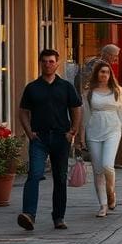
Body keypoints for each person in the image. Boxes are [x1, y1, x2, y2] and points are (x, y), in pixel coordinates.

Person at [16, 48, 83, 232]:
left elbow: (76, 108)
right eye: (44, 61)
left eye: (51, 61)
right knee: (34, 175)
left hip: (61, 137)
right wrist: (29, 133)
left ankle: (58, 217)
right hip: (39, 137)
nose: (48, 65)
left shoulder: (66, 87)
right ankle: (29, 214)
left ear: (57, 63)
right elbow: (22, 111)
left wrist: (73, 131)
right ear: (40, 63)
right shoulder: (32, 88)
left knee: (60, 178)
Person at [78, 60, 122, 218]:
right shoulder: (89, 92)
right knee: (97, 170)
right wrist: (81, 137)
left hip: (113, 129)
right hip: (94, 130)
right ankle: (103, 204)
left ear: (110, 74)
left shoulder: (117, 90)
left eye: (107, 72)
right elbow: (85, 115)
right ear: (97, 74)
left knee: (108, 165)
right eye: (102, 72)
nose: (104, 75)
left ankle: (111, 191)